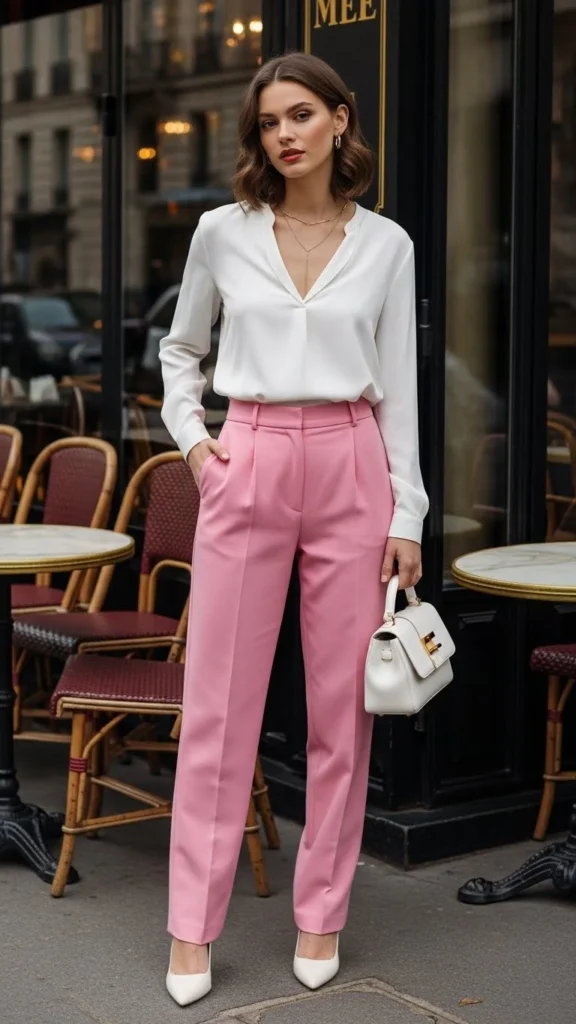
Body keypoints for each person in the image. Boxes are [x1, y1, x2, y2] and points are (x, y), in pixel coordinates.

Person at [159, 51, 428, 1007]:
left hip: (354, 462)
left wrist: (408, 511)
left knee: (338, 715)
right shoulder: (221, 234)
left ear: (342, 121)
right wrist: (196, 446)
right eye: (270, 119)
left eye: (303, 113)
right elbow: (181, 349)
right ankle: (192, 927)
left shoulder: (388, 246)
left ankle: (322, 913)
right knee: (219, 710)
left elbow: (397, 388)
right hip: (251, 456)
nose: (286, 132)